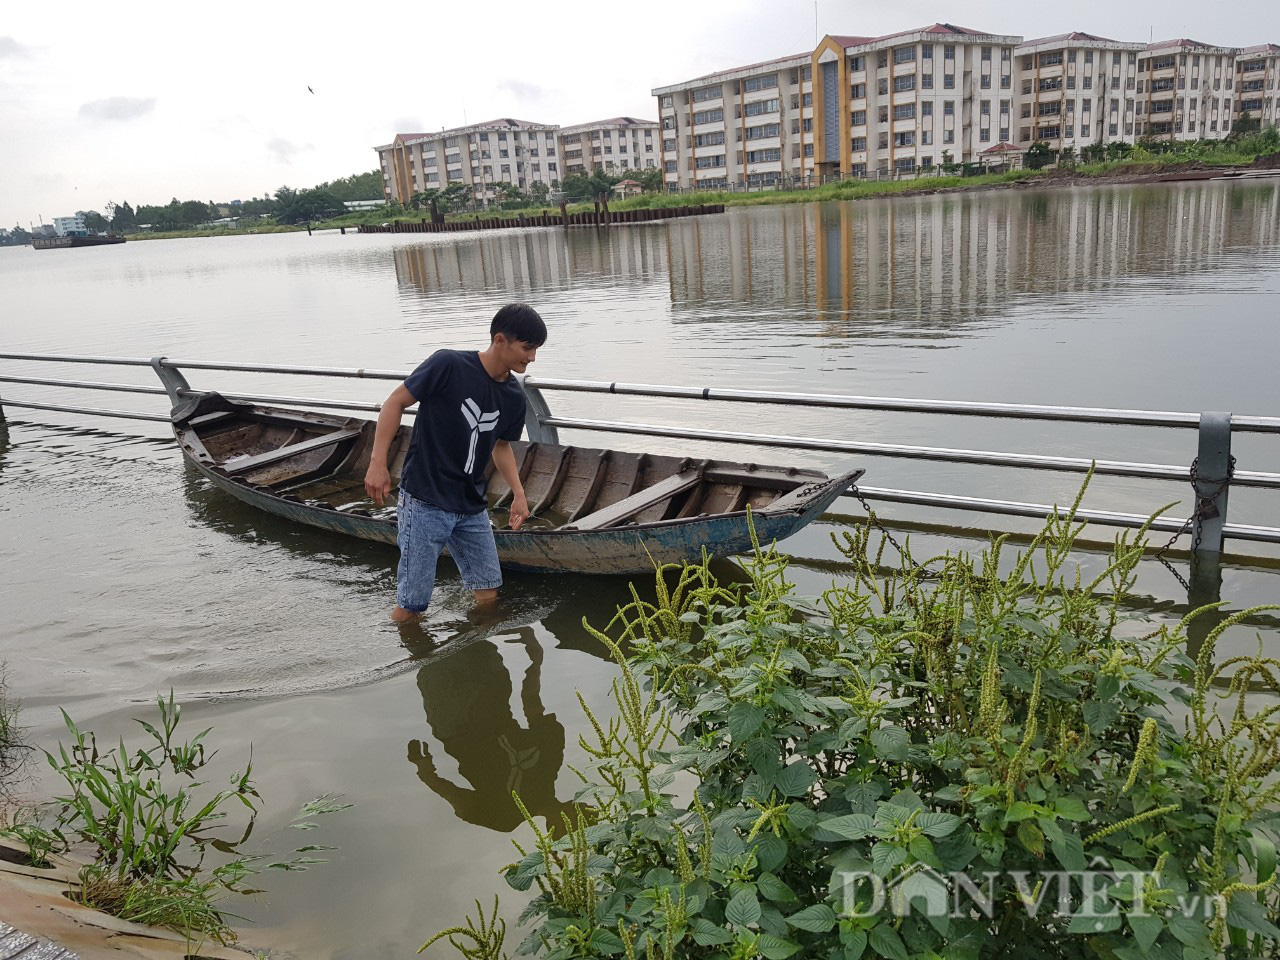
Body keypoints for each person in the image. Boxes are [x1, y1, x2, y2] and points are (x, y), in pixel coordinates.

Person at [363, 303, 546, 622]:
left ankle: (475, 655)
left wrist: (518, 494)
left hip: (471, 506)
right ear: (500, 340)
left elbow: (501, 446)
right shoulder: (448, 364)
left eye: (536, 350)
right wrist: (378, 463)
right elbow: (395, 402)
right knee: (412, 604)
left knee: (489, 592)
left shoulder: (513, 397)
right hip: (425, 501)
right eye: (527, 348)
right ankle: (408, 661)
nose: (531, 358)